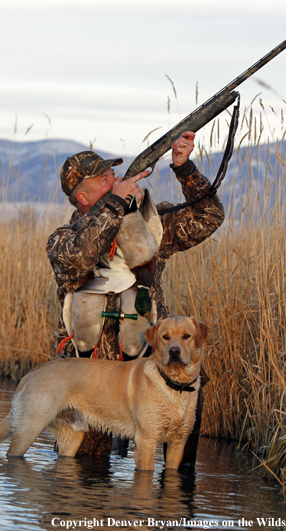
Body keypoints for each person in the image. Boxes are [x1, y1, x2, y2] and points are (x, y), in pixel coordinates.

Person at [46, 130, 224, 464]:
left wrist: (184, 169)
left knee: (179, 464)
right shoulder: (63, 239)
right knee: (81, 470)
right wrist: (116, 203)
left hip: (156, 369)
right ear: (83, 198)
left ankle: (172, 512)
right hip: (87, 381)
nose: (115, 180)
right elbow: (84, 254)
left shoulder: (151, 227)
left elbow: (209, 216)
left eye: (113, 173)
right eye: (104, 179)